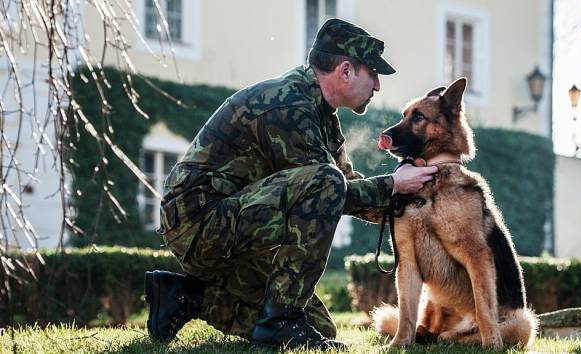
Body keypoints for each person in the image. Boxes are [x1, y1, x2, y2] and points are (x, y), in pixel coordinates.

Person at [144, 18, 437, 350]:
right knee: (326, 182)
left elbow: (348, 188)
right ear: (345, 70)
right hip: (198, 224)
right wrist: (394, 185)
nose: (378, 86)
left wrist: (415, 196)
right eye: (373, 74)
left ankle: (184, 297)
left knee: (320, 328)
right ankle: (279, 324)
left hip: (233, 223)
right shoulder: (288, 104)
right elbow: (330, 190)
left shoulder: (322, 116)